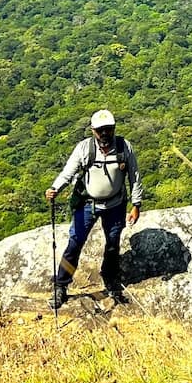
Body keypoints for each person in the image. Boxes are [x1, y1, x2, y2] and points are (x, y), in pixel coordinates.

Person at [45, 109, 141, 308]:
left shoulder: (124, 147)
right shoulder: (85, 148)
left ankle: (111, 280)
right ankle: (61, 285)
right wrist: (55, 188)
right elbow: (68, 172)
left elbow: (135, 176)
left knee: (113, 245)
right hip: (87, 203)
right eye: (100, 130)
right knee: (75, 244)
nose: (104, 133)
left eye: (108, 129)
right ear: (93, 131)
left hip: (115, 204)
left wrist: (136, 204)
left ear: (113, 129)